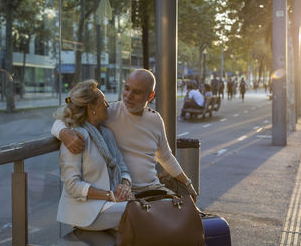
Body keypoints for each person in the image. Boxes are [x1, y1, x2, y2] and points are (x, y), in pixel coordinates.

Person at [52, 69, 197, 201]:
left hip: (154, 188)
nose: (129, 96)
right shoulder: (108, 112)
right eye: (127, 89)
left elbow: (166, 157)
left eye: (137, 92)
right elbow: (65, 116)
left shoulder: (155, 119)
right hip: (125, 193)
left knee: (183, 215)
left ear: (150, 96)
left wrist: (188, 183)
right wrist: (64, 132)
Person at [54, 79, 132, 231]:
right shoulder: (76, 138)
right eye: (103, 101)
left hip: (112, 204)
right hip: (88, 212)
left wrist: (125, 185)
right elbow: (72, 186)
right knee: (136, 214)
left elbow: (123, 167)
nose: (107, 105)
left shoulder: (107, 134)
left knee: (145, 213)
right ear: (92, 108)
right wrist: (109, 195)